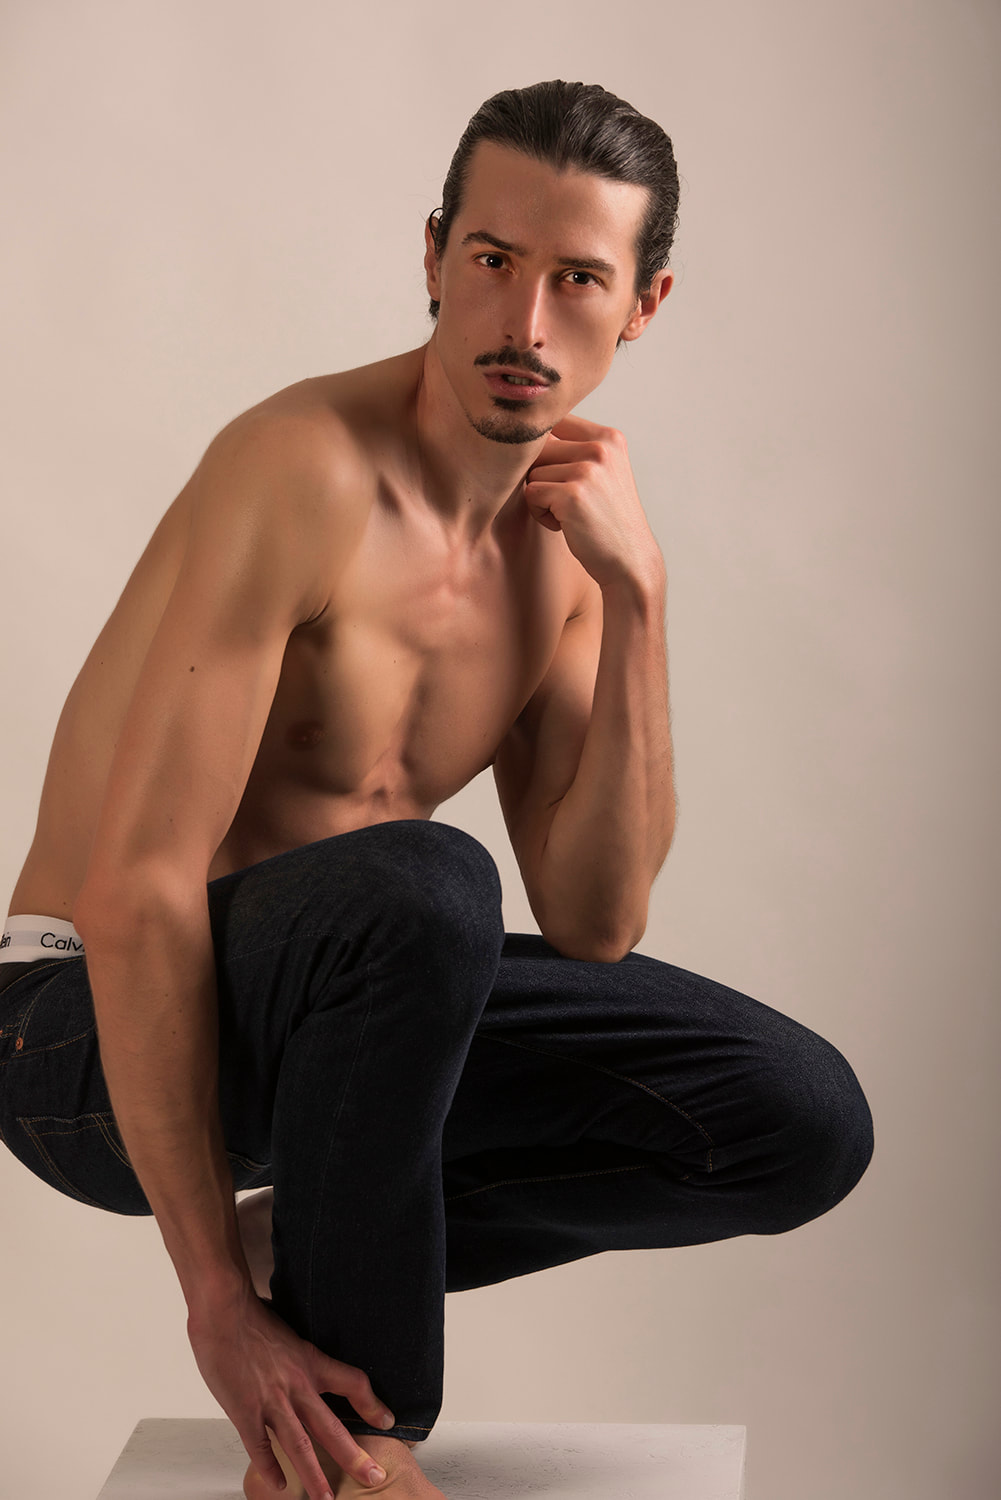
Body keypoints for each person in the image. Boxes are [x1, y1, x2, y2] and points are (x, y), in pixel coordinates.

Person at [0, 80, 874, 1500]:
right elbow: (137, 884)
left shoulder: (567, 558)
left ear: (641, 305)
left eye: (577, 278)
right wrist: (213, 1302)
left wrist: (638, 598)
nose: (525, 322)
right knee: (427, 880)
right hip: (78, 1026)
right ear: (432, 256)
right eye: (492, 260)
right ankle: (359, 1446)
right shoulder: (301, 470)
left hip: (349, 1029)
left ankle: (312, 1249)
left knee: (793, 1115)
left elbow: (595, 920)